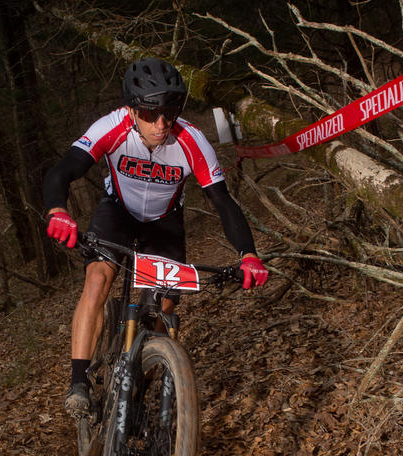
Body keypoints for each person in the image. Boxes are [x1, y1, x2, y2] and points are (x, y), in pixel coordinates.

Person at [43, 57, 268, 415]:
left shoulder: (192, 141)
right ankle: (79, 383)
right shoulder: (111, 127)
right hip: (117, 213)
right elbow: (63, 171)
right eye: (150, 114)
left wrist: (248, 253)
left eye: (169, 113)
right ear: (132, 110)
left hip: (164, 223)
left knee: (164, 306)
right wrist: (58, 210)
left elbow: (223, 202)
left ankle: (144, 376)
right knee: (97, 281)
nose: (161, 124)